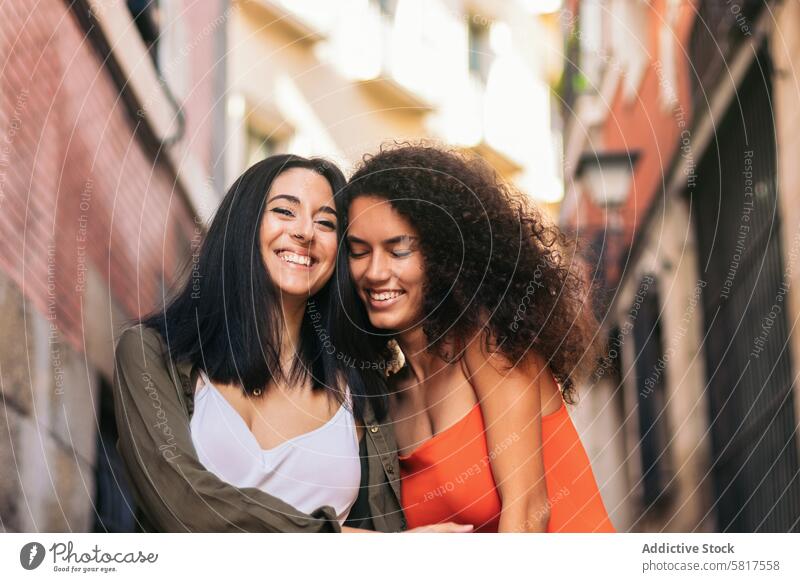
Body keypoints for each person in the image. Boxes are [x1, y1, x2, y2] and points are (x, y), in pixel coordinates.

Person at [113, 153, 470, 533]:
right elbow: (181, 503)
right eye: (285, 212)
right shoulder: (150, 355)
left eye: (326, 222)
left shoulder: (364, 390)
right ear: (244, 225)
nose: (305, 232)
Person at [341, 144, 616, 532]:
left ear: (443, 253)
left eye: (398, 250)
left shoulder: (489, 343)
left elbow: (529, 511)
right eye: (358, 252)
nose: (375, 272)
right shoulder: (385, 399)